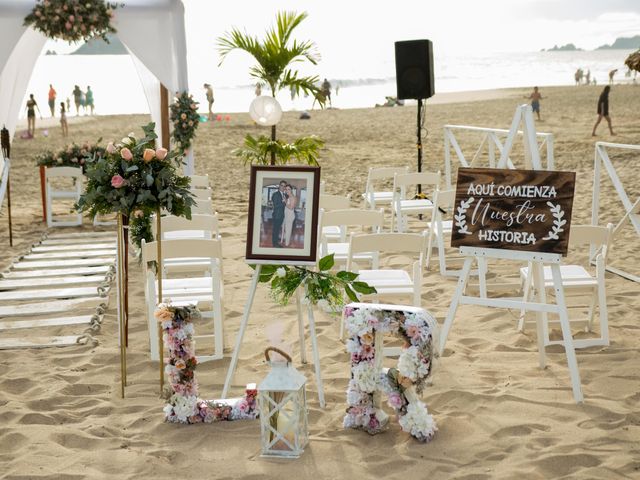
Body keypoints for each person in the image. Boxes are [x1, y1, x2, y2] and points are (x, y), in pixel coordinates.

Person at [271, 180, 287, 247]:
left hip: (281, 215)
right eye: (282, 185)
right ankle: (275, 244)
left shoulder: (284, 195)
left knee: (277, 229)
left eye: (284, 186)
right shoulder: (275, 194)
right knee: (275, 229)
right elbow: (276, 206)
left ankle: (276, 239)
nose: (283, 187)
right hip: (277, 215)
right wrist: (283, 203)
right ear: (279, 186)